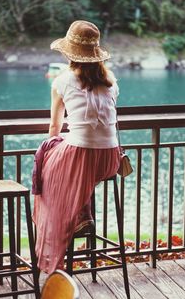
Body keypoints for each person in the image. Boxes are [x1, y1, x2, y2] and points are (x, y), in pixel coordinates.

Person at [32, 20, 120, 274]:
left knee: (48, 172)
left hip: (83, 156)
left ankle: (71, 224)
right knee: (72, 172)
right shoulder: (111, 81)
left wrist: (50, 145)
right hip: (109, 158)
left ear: (69, 53)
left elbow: (54, 127)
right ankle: (81, 214)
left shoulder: (62, 81)